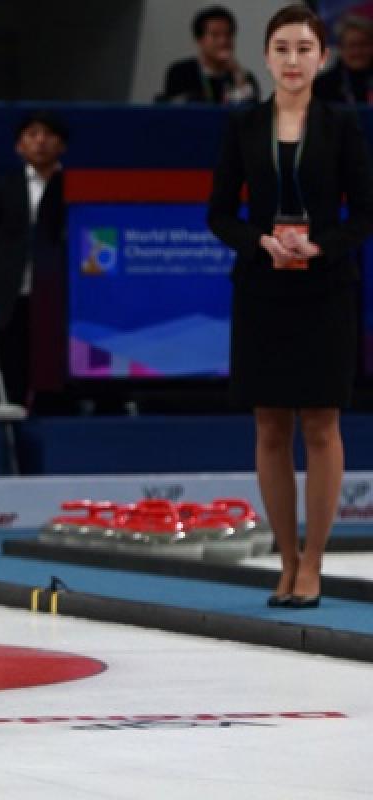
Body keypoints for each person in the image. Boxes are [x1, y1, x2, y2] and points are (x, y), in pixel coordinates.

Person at [207, 4, 373, 609]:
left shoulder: (341, 125)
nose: (294, 59)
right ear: (268, 55)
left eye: (305, 48)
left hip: (326, 287)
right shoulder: (244, 125)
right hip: (264, 287)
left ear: (322, 57)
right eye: (282, 48)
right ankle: (287, 558)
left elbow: (366, 214)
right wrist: (262, 241)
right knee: (270, 425)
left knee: (322, 425)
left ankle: (315, 564)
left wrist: (320, 244)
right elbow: (219, 213)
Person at [0, 111, 68, 407]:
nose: (40, 142)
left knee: (54, 382)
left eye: (48, 135)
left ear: (62, 145)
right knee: (12, 380)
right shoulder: (3, 187)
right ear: (19, 146)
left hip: (57, 300)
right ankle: (13, 449)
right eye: (32, 135)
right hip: (11, 298)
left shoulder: (72, 186)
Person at [158, 5, 260, 104]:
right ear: (199, 40)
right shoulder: (180, 72)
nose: (223, 41)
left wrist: (239, 77)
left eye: (228, 35)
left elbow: (252, 113)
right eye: (215, 35)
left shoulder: (245, 77)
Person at [314, 13, 373, 105]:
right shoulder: (322, 86)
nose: (358, 51)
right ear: (341, 48)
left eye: (364, 44)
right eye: (352, 45)